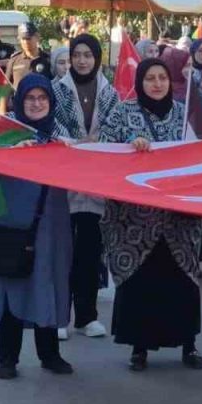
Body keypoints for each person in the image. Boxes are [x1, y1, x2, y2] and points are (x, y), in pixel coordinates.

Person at [99, 59, 202, 372]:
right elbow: (103, 151)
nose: (157, 84)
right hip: (136, 219)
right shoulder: (123, 112)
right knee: (141, 281)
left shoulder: (185, 114)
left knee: (182, 280)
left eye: (162, 78)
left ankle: (188, 344)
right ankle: (139, 347)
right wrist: (128, 148)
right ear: (139, 82)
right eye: (150, 78)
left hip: (178, 218)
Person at [0, 74, 75, 379]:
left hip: (52, 227)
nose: (37, 104)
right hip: (13, 226)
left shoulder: (60, 136)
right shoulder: (5, 132)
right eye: (30, 98)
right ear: (19, 101)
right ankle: (6, 359)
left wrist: (70, 152)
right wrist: (12, 153)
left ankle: (50, 355)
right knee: (11, 289)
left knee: (48, 286)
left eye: (42, 98)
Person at [53, 33, 120, 340]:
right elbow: (51, 125)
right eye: (77, 55)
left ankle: (87, 316)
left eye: (88, 55)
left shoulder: (110, 93)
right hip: (64, 184)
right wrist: (76, 143)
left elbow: (116, 127)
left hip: (95, 186)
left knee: (91, 254)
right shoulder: (57, 90)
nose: (82, 61)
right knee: (63, 253)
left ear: (97, 59)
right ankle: (59, 317)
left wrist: (98, 141)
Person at [4, 24, 54, 93]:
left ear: (37, 37)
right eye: (23, 39)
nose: (26, 42)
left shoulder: (48, 60)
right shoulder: (14, 61)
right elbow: (5, 88)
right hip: (20, 99)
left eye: (28, 38)